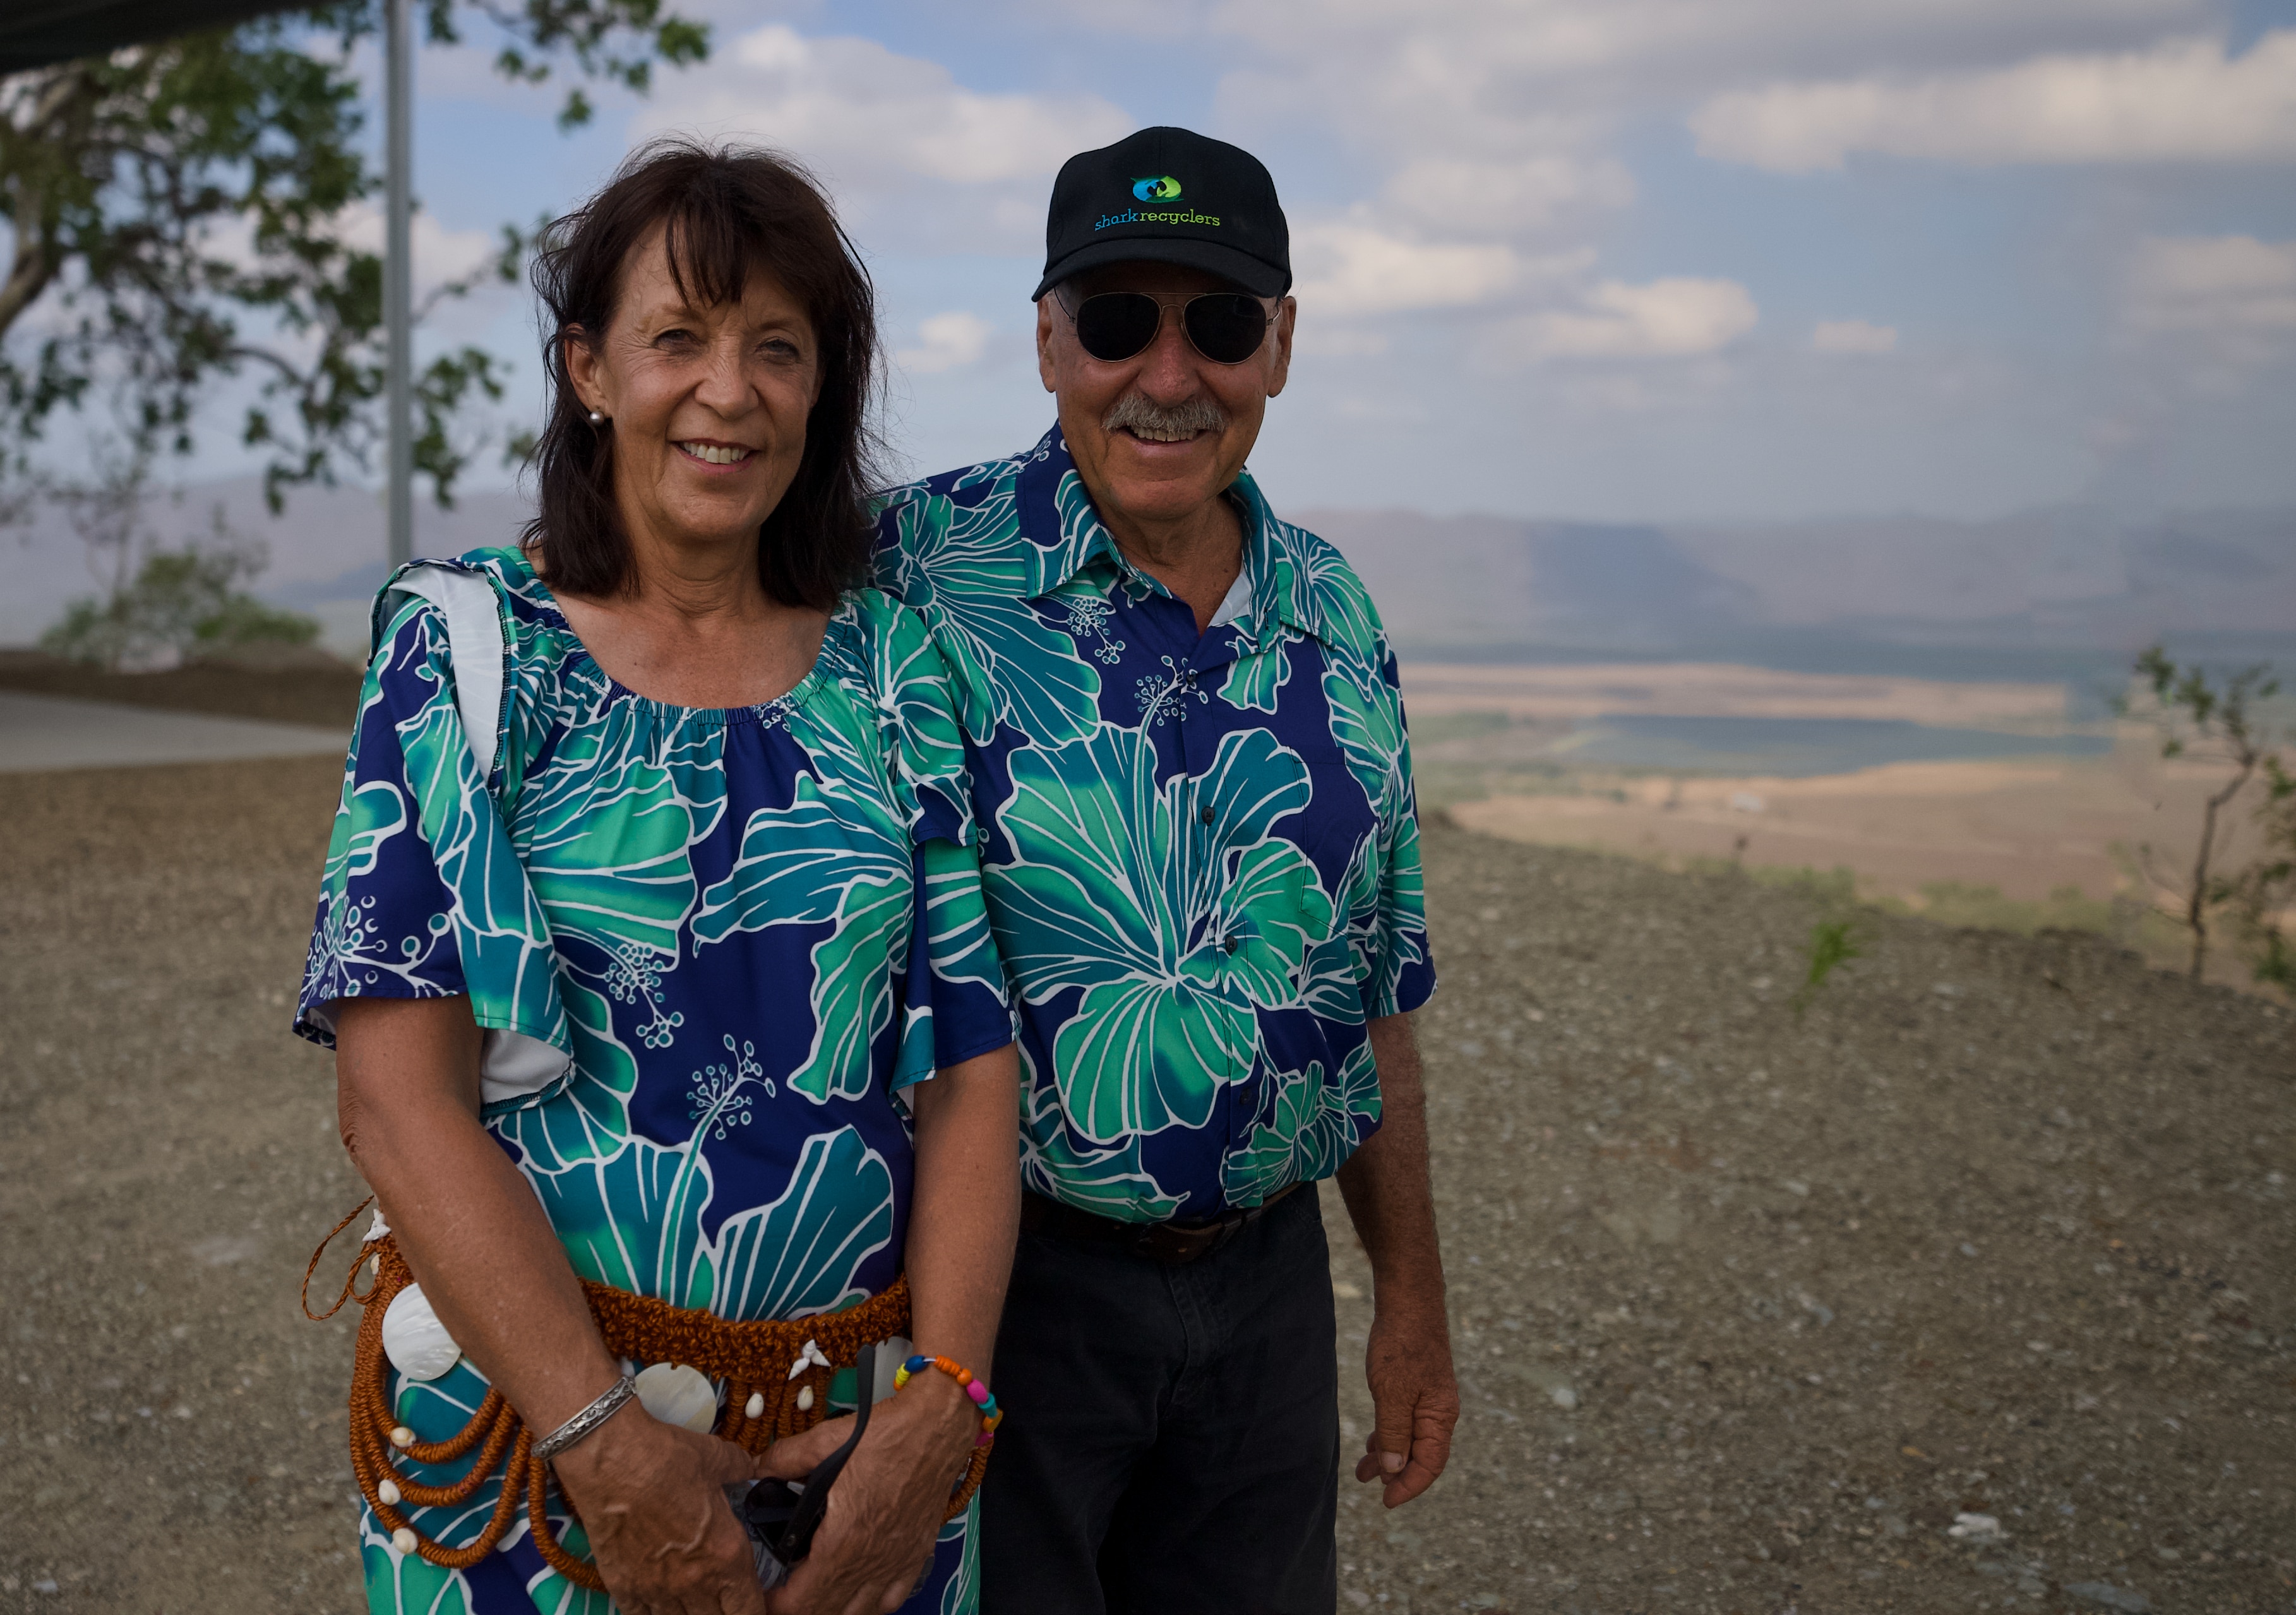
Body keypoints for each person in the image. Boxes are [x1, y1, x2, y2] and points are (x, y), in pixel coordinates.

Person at [296, 141, 1020, 1615]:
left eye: (778, 348)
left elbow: (969, 1074)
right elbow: (396, 1100)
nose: (729, 390)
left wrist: (943, 1410)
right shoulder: (468, 654)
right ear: (589, 370)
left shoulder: (893, 665)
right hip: (529, 1457)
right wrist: (608, 1450)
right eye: (677, 337)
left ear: (823, 390)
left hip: (861, 1455)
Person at [874, 126, 1457, 1613]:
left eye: (1219, 323)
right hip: (1006, 1294)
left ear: (1282, 343)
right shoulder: (906, 576)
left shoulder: (1334, 605)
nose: (1170, 372)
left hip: (1266, 1296)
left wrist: (1412, 1302)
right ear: (1051, 342)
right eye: (1121, 320)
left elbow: (1375, 987)